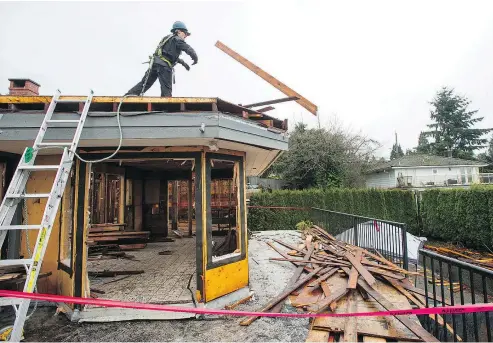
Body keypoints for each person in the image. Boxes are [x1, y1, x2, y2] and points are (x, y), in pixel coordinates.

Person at [126, 21, 198, 97]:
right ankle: (166, 107)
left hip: (155, 64)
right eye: (185, 33)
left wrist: (184, 63)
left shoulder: (167, 39)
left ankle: (128, 95)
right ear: (179, 31)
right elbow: (187, 48)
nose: (186, 36)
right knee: (166, 89)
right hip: (164, 66)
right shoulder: (177, 39)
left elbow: (168, 55)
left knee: (145, 83)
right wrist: (195, 57)